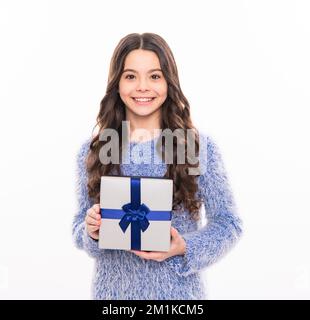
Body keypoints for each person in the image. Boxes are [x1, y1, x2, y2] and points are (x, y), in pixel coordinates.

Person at [72, 32, 243, 299]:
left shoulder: (197, 147)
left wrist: (184, 245)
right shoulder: (95, 149)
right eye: (130, 76)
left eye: (154, 76)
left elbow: (229, 224)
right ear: (117, 84)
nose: (142, 87)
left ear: (168, 82)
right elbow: (80, 227)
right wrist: (90, 230)